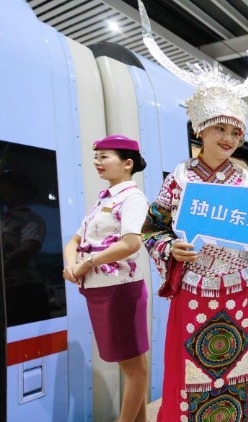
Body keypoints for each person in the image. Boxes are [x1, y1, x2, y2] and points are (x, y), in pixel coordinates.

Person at [138, 6, 248, 419]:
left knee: (246, 379)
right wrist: (170, 250)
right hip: (195, 295)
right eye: (220, 128)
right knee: (192, 377)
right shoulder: (178, 181)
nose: (229, 138)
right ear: (200, 128)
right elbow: (150, 231)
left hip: (243, 293)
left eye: (236, 132)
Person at [63, 135, 150, 422]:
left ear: (127, 164)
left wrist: (87, 262)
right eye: (96, 157)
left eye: (104, 157)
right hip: (101, 290)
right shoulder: (103, 201)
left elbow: (130, 244)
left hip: (121, 291)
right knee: (129, 364)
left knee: (133, 367)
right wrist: (71, 265)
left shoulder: (133, 199)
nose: (96, 162)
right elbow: (74, 241)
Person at [0, 171, 49, 326]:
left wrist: (5, 265)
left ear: (20, 191)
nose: (3, 192)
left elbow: (29, 247)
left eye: (8, 188)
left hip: (25, 288)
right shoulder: (4, 219)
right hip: (7, 287)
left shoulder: (30, 218)